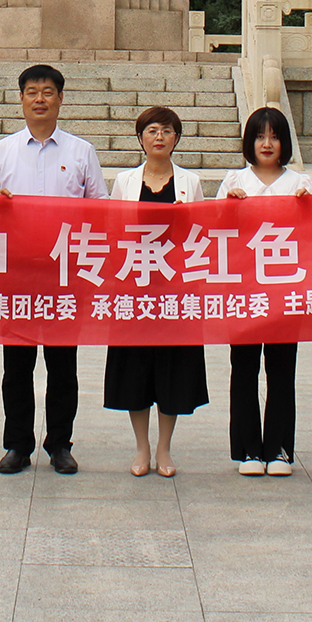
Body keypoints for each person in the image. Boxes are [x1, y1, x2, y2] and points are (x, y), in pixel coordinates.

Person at [0, 63, 106, 475]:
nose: (39, 99)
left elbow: (99, 209)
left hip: (64, 275)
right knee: (16, 366)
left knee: (62, 366)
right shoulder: (2, 150)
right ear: (20, 99)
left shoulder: (81, 151)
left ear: (60, 99)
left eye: (48, 92)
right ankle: (17, 444)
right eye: (31, 92)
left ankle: (60, 445)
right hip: (16, 272)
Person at [103, 106, 209, 477]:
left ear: (176, 138)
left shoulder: (190, 182)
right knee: (134, 368)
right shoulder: (125, 181)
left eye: (166, 130)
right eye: (151, 130)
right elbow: (113, 231)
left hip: (176, 289)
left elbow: (201, 235)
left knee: (172, 368)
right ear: (140, 138)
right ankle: (142, 447)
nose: (159, 137)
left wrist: (185, 218)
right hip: (134, 287)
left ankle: (164, 448)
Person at [217, 106, 312, 476]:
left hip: (286, 292)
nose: (267, 143)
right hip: (244, 290)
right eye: (260, 136)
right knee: (243, 369)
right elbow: (216, 234)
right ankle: (248, 451)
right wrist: (228, 207)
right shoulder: (234, 180)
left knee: (281, 370)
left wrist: (307, 208)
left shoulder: (300, 182)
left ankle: (279, 450)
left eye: (274, 136)